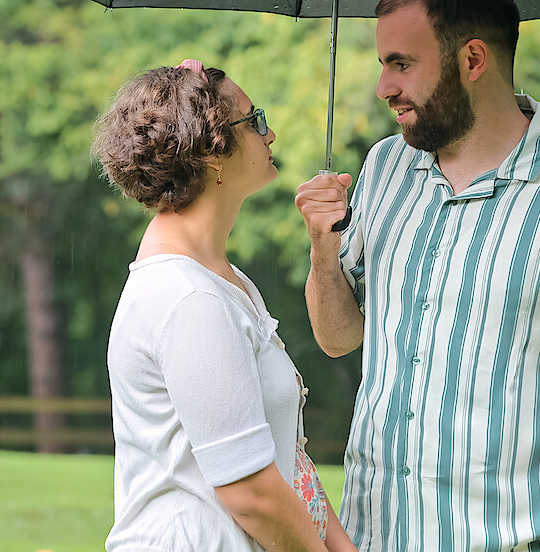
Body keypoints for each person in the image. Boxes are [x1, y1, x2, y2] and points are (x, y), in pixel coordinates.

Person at [295, 0, 540, 551]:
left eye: (401, 64)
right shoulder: (385, 167)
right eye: (382, 64)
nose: (384, 87)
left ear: (472, 59)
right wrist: (323, 248)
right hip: (375, 538)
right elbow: (338, 338)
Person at [95, 59, 356, 552]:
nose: (270, 133)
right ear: (212, 151)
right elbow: (252, 495)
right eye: (255, 121)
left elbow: (285, 461)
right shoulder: (188, 298)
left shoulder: (224, 280)